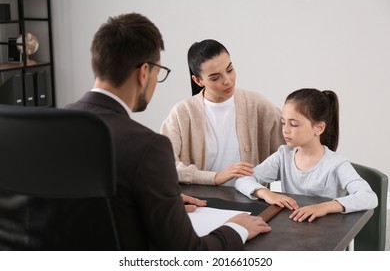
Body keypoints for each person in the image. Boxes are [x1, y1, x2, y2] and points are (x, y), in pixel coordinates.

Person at [65, 13, 271, 250]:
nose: (226, 81)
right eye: (158, 72)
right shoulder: (148, 145)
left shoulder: (47, 128)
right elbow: (188, 253)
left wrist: (154, 201)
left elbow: (93, 204)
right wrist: (237, 228)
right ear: (145, 72)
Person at [235, 88, 378, 222]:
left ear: (319, 128)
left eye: (294, 124)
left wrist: (323, 207)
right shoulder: (283, 156)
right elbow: (243, 180)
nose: (285, 130)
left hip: (326, 233)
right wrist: (266, 193)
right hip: (293, 226)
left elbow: (369, 197)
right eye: (283, 123)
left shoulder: (336, 164)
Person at [160, 39, 284, 186]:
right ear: (198, 81)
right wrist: (215, 177)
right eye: (215, 78)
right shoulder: (181, 114)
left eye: (230, 70)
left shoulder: (258, 105)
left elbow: (290, 155)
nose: (227, 81)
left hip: (251, 201)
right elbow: (164, 165)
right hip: (200, 203)